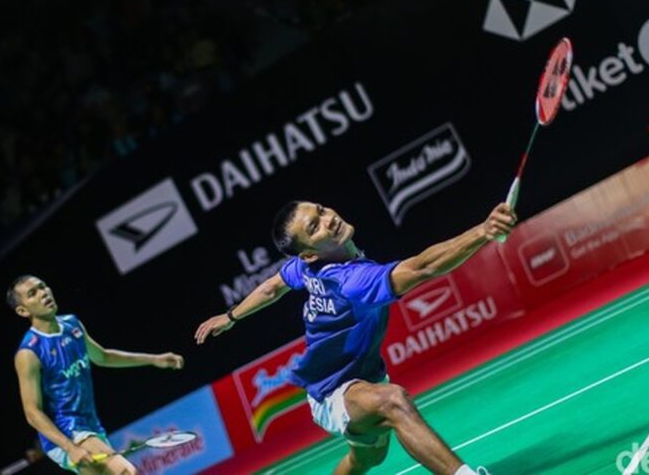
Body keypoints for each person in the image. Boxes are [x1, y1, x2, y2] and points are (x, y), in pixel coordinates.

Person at [195, 201, 516, 475]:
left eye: (321, 211)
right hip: (331, 391)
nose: (329, 219)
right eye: (315, 227)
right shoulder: (351, 281)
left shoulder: (305, 268)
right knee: (394, 402)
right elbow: (423, 268)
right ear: (309, 253)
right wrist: (483, 232)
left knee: (366, 459)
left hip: (364, 379)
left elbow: (271, 287)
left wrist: (231, 317)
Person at [10, 275, 185, 475]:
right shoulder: (29, 353)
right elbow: (32, 412)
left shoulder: (72, 325)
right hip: (67, 432)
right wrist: (70, 447)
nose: (43, 293)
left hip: (91, 426)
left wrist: (154, 359)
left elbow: (103, 357)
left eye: (43, 287)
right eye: (32, 294)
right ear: (23, 311)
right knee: (127, 473)